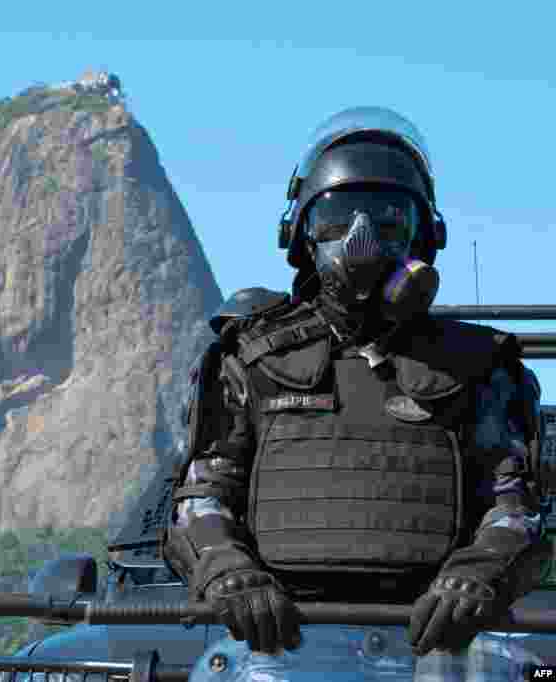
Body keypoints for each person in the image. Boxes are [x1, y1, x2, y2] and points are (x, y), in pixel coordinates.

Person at [163, 107, 547, 673]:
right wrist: (225, 567)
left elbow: (516, 507)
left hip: (439, 647)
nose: (362, 239)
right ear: (303, 234)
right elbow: (201, 498)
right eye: (339, 218)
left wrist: (482, 571)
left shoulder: (480, 369)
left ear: (424, 234)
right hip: (279, 645)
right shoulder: (253, 361)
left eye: (389, 219)